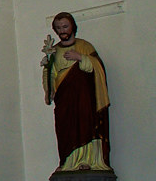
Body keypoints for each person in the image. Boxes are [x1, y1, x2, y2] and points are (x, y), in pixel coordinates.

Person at [42, 12, 112, 172]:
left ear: (73, 26)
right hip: (64, 98)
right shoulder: (54, 51)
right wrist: (49, 90)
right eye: (59, 28)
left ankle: (87, 160)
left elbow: (97, 68)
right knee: (66, 129)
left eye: (65, 26)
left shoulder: (84, 47)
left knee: (85, 126)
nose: (62, 31)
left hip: (84, 99)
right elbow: (50, 74)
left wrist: (80, 58)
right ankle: (67, 162)